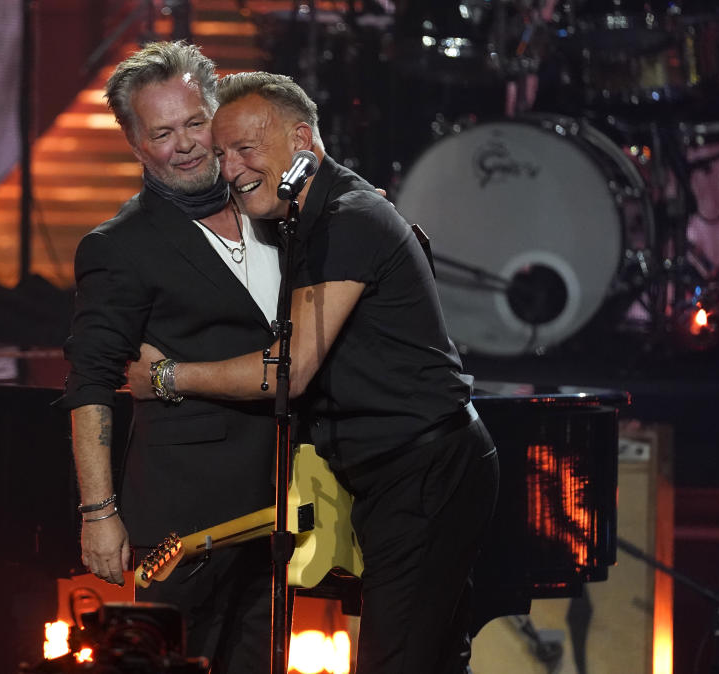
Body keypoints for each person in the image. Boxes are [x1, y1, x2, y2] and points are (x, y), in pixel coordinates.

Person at [129, 72, 500, 674]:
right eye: (222, 154)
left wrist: (168, 376)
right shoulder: (303, 216)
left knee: (395, 660)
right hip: (393, 473)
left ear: (302, 139)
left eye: (246, 149)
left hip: (425, 471)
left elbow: (289, 372)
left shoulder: (349, 218)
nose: (230, 169)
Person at [57, 43, 280, 673]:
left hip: (286, 503)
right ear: (135, 143)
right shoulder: (118, 247)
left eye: (194, 122)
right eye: (162, 132)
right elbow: (92, 382)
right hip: (186, 518)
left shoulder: (272, 208)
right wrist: (99, 513)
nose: (183, 144)